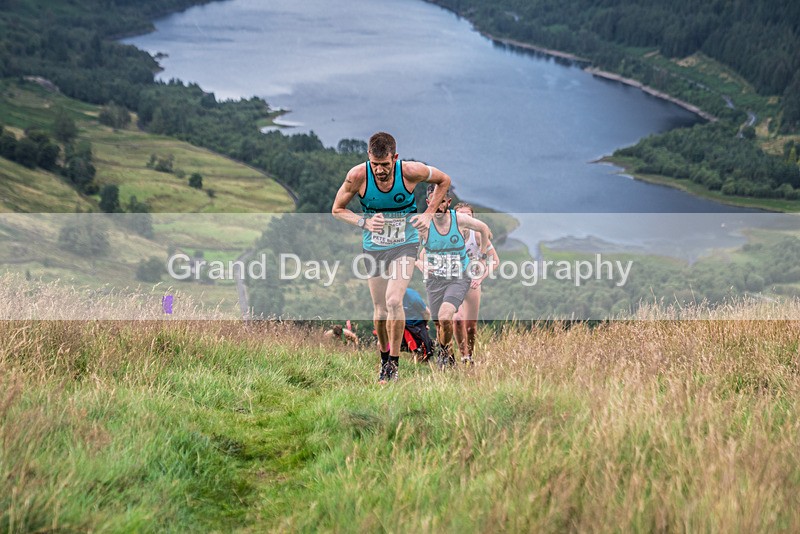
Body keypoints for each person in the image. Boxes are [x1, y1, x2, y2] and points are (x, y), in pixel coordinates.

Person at [332, 132, 451, 383]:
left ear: (394, 158)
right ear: (368, 158)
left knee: (394, 300)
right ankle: (384, 359)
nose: (380, 171)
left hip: (405, 245)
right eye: (375, 165)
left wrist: (429, 213)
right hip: (374, 247)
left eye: (385, 165)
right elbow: (337, 210)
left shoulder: (409, 171)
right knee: (380, 309)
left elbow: (444, 180)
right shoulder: (357, 176)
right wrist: (364, 221)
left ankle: (394, 365)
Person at [419, 184, 492, 368]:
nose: (438, 206)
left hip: (459, 277)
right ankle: (448, 355)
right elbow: (410, 252)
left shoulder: (458, 219)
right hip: (435, 280)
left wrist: (482, 257)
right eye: (434, 202)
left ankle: (446, 355)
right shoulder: (422, 224)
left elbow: (484, 229)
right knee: (439, 324)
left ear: (448, 202)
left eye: (442, 202)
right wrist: (423, 265)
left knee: (446, 317)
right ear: (428, 202)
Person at [452, 202, 499, 364]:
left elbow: (495, 261)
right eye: (461, 215)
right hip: (453, 282)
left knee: (470, 326)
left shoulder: (477, 235)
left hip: (472, 283)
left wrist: (480, 278)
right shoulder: (448, 233)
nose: (465, 218)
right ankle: (462, 355)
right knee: (457, 320)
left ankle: (469, 356)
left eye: (468, 216)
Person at [402, 287, 434, 362]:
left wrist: (425, 324)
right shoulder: (390, 295)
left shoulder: (413, 298)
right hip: (403, 324)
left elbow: (427, 313)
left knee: (424, 350)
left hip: (417, 324)